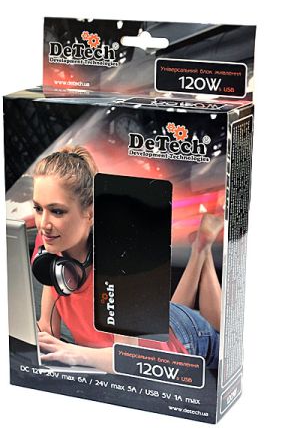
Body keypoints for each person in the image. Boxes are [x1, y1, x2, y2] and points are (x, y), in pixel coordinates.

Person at [32, 146, 223, 373]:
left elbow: (130, 358)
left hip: (184, 339)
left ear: (90, 213)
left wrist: (76, 353)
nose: (43, 223)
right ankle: (201, 247)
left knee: (223, 337)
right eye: (38, 209)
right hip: (149, 321)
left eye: (57, 211)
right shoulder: (51, 242)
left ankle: (202, 248)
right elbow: (48, 330)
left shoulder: (118, 259)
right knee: (164, 313)